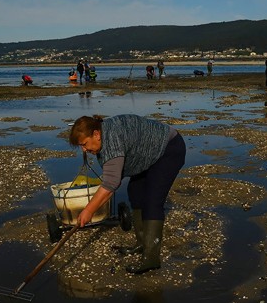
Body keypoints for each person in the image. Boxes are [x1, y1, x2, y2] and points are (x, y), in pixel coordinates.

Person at [68, 114, 186, 274]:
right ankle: (142, 243)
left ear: (96, 134)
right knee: (135, 191)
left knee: (152, 201)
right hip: (146, 155)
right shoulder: (103, 136)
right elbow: (112, 181)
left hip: (168, 149)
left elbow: (110, 184)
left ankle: (151, 258)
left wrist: (89, 210)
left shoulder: (112, 141)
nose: (84, 149)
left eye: (84, 144)